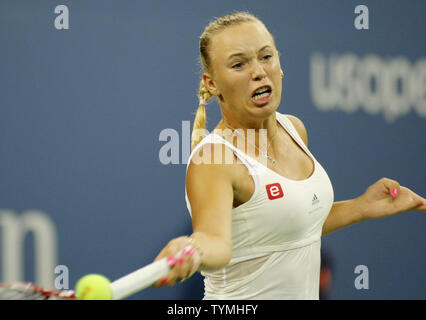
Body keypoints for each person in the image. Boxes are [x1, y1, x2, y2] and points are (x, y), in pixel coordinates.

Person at [153, 11, 425, 299]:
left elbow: (288, 225)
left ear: (279, 63)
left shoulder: (294, 129)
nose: (258, 71)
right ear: (212, 84)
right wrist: (193, 250)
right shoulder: (214, 158)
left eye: (266, 56)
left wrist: (361, 206)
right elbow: (216, 242)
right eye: (238, 64)